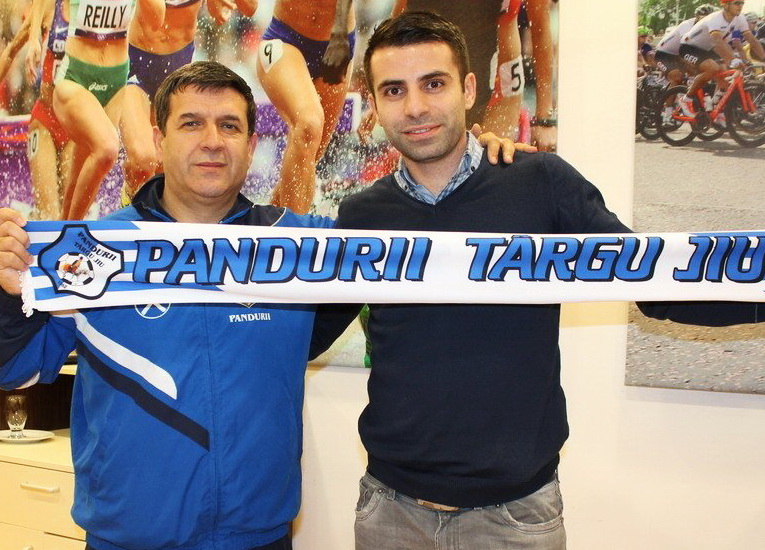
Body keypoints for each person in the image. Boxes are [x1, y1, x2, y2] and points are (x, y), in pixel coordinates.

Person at [308, 12, 765, 550]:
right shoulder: (362, 216)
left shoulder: (540, 183)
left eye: (433, 84)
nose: (415, 107)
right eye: (394, 90)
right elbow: (304, 330)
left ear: (468, 89)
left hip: (515, 518)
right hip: (390, 513)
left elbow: (656, 281)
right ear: (374, 102)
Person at [0, 61, 337, 550]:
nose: (212, 141)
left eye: (230, 126)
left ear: (250, 145)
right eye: (191, 123)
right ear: (159, 141)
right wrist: (7, 292)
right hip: (127, 538)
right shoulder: (94, 250)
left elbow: (416, 252)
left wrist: (466, 170)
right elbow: (15, 368)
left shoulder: (300, 247)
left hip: (259, 538)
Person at [119, 0, 257, 202]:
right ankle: (128, 203)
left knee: (164, 167)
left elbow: (247, 9)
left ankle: (145, 206)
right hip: (135, 63)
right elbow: (156, 19)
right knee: (143, 158)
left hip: (178, 68)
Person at [53, 0, 164, 220]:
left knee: (81, 171)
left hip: (116, 81)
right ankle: (73, 230)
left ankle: (65, 227)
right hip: (75, 77)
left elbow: (156, 21)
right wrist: (33, 38)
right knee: (107, 149)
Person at [256, 0, 356, 214]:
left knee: (308, 156)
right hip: (285, 39)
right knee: (309, 125)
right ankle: (294, 229)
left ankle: (273, 223)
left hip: (339, 41)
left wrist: (340, 34)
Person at [678, 0, 765, 118]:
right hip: (689, 47)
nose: (740, 6)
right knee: (712, 68)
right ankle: (686, 98)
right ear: (725, 5)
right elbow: (717, 41)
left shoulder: (740, 18)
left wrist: (763, 58)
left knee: (725, 70)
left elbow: (752, 40)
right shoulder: (716, 18)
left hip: (708, 48)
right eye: (736, 3)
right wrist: (733, 60)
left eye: (742, 3)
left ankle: (715, 105)